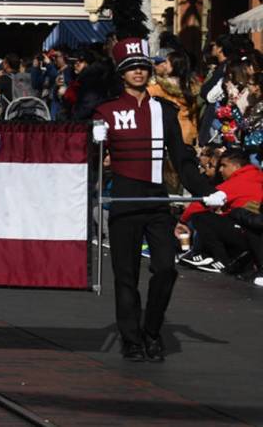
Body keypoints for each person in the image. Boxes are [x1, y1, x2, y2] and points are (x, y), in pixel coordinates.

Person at [93, 30, 219, 362]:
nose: (138, 72)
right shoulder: (105, 112)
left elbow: (182, 159)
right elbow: (88, 159)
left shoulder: (164, 110)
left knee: (165, 269)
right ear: (121, 72)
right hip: (123, 200)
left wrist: (209, 192)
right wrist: (96, 149)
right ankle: (131, 340)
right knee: (126, 276)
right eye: (131, 67)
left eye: (143, 66)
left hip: (157, 201)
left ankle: (151, 329)